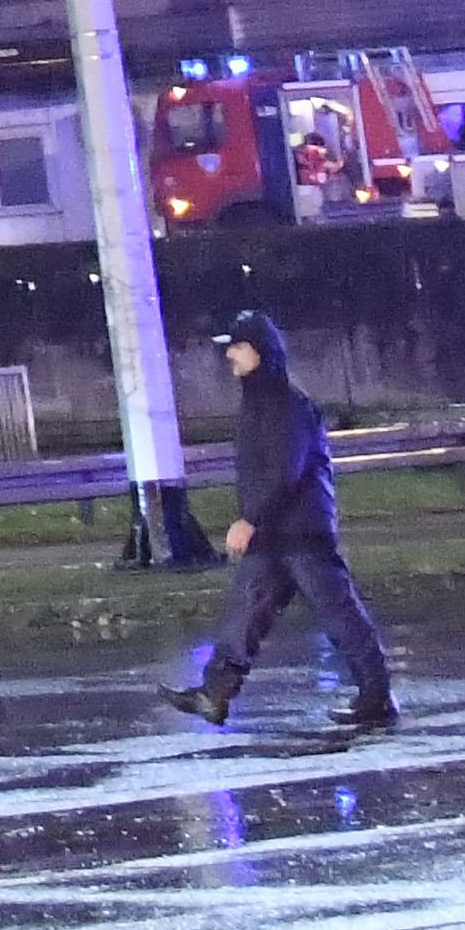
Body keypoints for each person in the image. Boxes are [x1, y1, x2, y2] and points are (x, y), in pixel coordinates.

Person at [178, 306, 393, 739]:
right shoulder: (260, 401)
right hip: (275, 534)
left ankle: (377, 698)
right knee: (246, 612)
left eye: (238, 347)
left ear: (260, 351)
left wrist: (249, 520)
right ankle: (214, 693)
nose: (230, 356)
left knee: (338, 614)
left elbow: (285, 471)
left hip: (301, 533)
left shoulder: (283, 404)